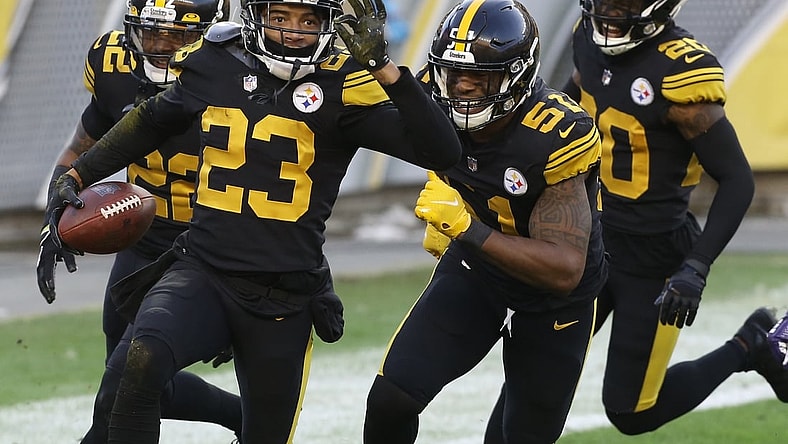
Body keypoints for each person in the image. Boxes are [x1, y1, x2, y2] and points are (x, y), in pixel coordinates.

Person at [44, 0, 462, 442]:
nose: (293, 31)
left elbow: (441, 151)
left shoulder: (343, 84)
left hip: (284, 293)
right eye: (280, 17)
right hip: (204, 269)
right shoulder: (216, 62)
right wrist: (78, 173)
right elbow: (151, 120)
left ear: (328, 26)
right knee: (139, 361)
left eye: (308, 20)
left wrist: (384, 66)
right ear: (255, 16)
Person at [490, 0, 787, 437]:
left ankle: (750, 346)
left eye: (623, 3)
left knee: (632, 412)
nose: (609, 14)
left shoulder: (680, 71)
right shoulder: (585, 39)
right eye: (604, 1)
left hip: (654, 258)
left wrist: (696, 268)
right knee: (533, 369)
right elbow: (570, 104)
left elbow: (737, 179)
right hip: (588, 240)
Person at [362, 1, 608, 443]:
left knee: (521, 436)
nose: (463, 89)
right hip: (479, 272)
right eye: (454, 75)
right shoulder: (433, 98)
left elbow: (564, 268)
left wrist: (466, 227)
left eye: (481, 78)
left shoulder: (555, 132)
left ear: (517, 75)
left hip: (553, 299)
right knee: (391, 399)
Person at [35, 1, 244, 442]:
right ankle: (245, 418)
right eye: (151, 33)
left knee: (118, 391)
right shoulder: (113, 64)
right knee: (137, 383)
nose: (161, 47)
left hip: (212, 246)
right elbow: (79, 149)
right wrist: (58, 206)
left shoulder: (244, 78)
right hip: (142, 240)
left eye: (178, 35)